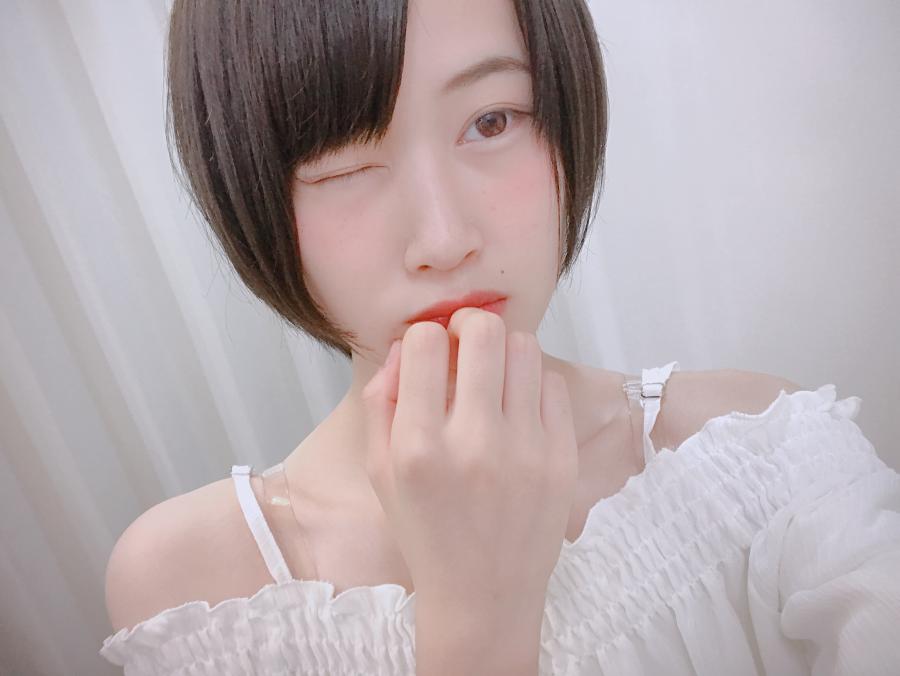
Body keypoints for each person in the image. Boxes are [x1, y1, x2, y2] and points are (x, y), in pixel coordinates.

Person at [99, 0, 900, 674]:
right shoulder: (197, 591)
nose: (444, 238)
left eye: (491, 121)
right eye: (342, 162)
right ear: (251, 193)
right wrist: (477, 618)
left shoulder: (759, 458)